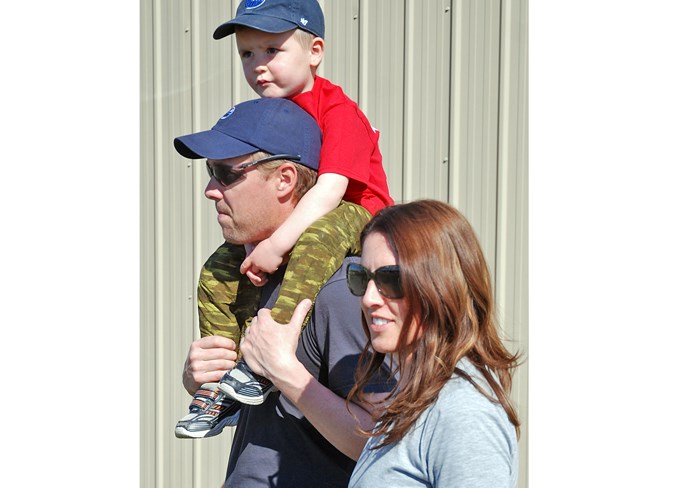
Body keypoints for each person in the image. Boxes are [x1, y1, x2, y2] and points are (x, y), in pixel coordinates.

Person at [178, 0, 394, 436]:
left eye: (271, 49)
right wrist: (199, 372)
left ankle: (271, 347)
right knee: (218, 269)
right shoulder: (283, 112)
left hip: (359, 216)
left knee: (315, 242)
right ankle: (222, 386)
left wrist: (276, 243)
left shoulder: (338, 111)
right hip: (315, 215)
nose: (258, 66)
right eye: (246, 53)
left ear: (315, 51)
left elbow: (330, 192)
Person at [174, 97, 394, 486]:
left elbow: (382, 440)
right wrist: (207, 378)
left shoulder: (342, 289)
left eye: (225, 174)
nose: (210, 190)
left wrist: (283, 371)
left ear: (285, 179)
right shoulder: (246, 275)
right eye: (209, 172)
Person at [344, 200, 521, 487]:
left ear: (441, 286)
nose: (368, 298)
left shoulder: (464, 413)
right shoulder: (416, 397)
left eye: (390, 280)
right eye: (361, 278)